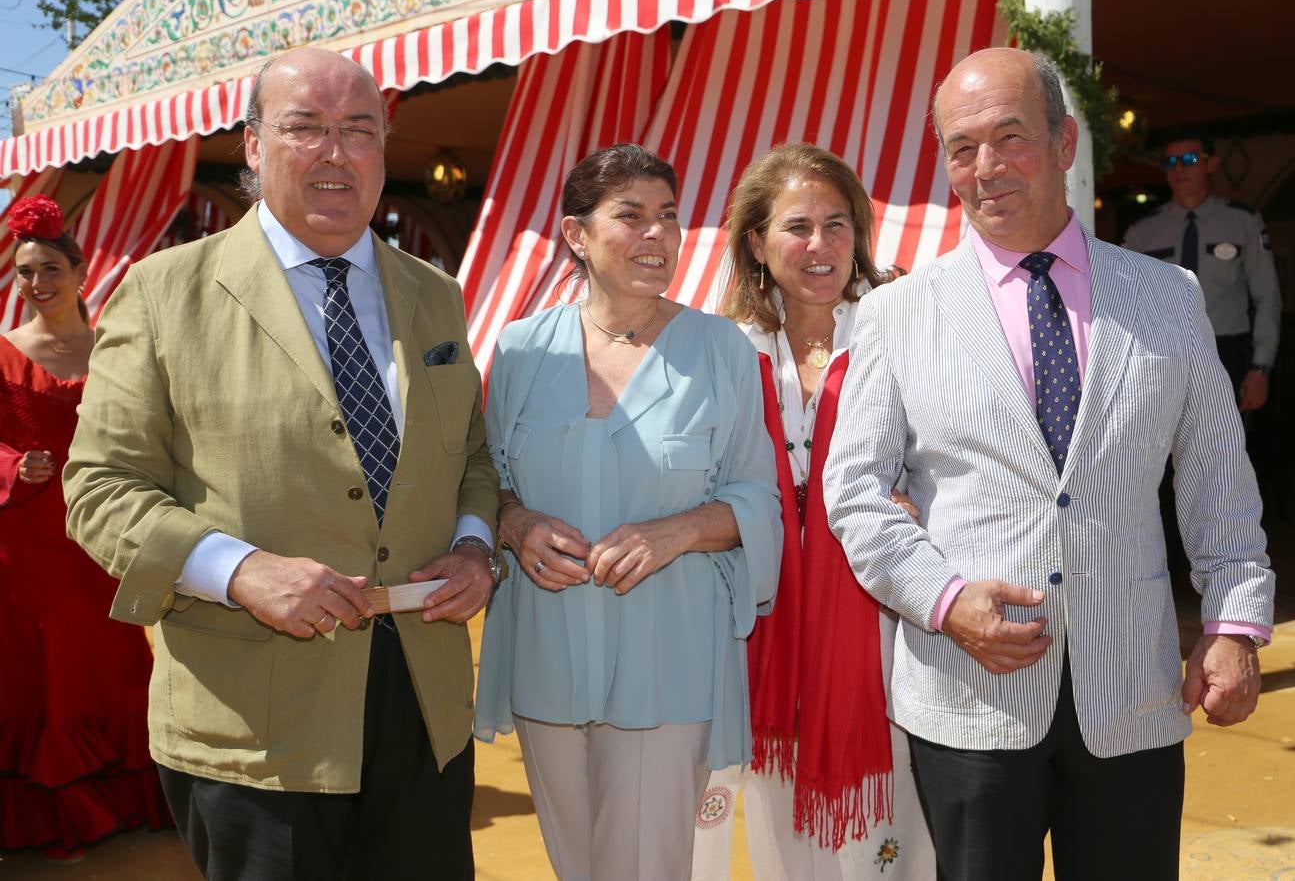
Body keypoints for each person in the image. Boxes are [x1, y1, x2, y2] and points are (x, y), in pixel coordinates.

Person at [822, 48, 1276, 881]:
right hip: (969, 697)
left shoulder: (1166, 297)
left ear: (1066, 143)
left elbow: (1216, 472)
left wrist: (1234, 623)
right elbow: (852, 493)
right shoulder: (896, 314)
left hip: (1131, 690)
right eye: (962, 147)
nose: (985, 167)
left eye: (1010, 136)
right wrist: (946, 600)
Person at [63, 48, 498, 880]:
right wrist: (240, 571)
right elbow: (99, 490)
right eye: (305, 127)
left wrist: (476, 545)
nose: (335, 152)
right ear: (254, 147)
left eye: (359, 130)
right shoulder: (162, 293)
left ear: (383, 150)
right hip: (255, 724)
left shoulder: (435, 293)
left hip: (424, 708)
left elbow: (472, 453)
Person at [475, 143, 782, 881]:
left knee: (644, 869)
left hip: (667, 657)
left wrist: (673, 533)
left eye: (669, 217)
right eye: (632, 216)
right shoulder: (520, 351)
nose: (656, 235)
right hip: (545, 651)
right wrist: (515, 525)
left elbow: (756, 499)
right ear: (577, 235)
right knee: (575, 866)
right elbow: (482, 478)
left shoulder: (723, 351)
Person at [692, 142, 934, 881]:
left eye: (837, 224)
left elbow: (961, 456)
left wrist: (917, 501)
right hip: (767, 641)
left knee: (894, 844)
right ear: (758, 243)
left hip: (888, 636)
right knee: (784, 842)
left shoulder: (904, 331)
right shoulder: (727, 352)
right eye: (798, 227)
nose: (821, 245)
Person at [0, 195, 172, 864]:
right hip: (24, 543)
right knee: (42, 676)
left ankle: (129, 800)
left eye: (49, 268)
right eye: (24, 271)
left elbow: (155, 430)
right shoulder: (4, 353)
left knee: (114, 665)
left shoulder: (116, 349)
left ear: (79, 271)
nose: (37, 283)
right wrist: (14, 465)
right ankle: (52, 817)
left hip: (103, 540)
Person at [1122, 134, 1281, 412]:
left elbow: (1268, 296)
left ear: (1211, 165)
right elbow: (1124, 301)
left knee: (1223, 449)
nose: (1179, 169)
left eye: (1190, 160)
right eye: (1171, 162)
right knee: (1162, 452)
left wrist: (1261, 367)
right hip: (1162, 355)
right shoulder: (1142, 232)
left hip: (1225, 353)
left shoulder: (1242, 222)